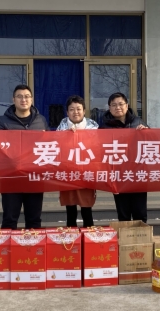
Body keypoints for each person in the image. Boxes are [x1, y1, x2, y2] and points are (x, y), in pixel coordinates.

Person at [0, 84, 48, 229]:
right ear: (13, 99)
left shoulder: (41, 120)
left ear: (32, 99)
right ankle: (8, 245)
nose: (23, 100)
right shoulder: (2, 122)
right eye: (19, 97)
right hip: (11, 177)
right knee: (9, 219)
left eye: (27, 96)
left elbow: (50, 144)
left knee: (34, 220)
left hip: (34, 176)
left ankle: (33, 244)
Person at [99, 92, 149, 222]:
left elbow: (152, 144)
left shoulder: (138, 122)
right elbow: (99, 152)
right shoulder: (104, 128)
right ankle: (125, 236)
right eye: (114, 105)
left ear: (127, 105)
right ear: (109, 108)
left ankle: (141, 235)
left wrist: (147, 133)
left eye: (121, 104)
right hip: (118, 176)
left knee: (140, 213)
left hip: (138, 175)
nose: (118, 107)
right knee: (123, 215)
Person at [56, 95, 99, 228]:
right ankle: (71, 238)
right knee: (70, 210)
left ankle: (89, 238)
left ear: (84, 111)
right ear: (67, 112)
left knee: (87, 209)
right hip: (68, 172)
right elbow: (56, 148)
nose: (76, 112)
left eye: (79, 109)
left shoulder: (94, 127)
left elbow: (98, 148)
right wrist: (66, 135)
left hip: (86, 172)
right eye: (72, 109)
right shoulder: (61, 127)